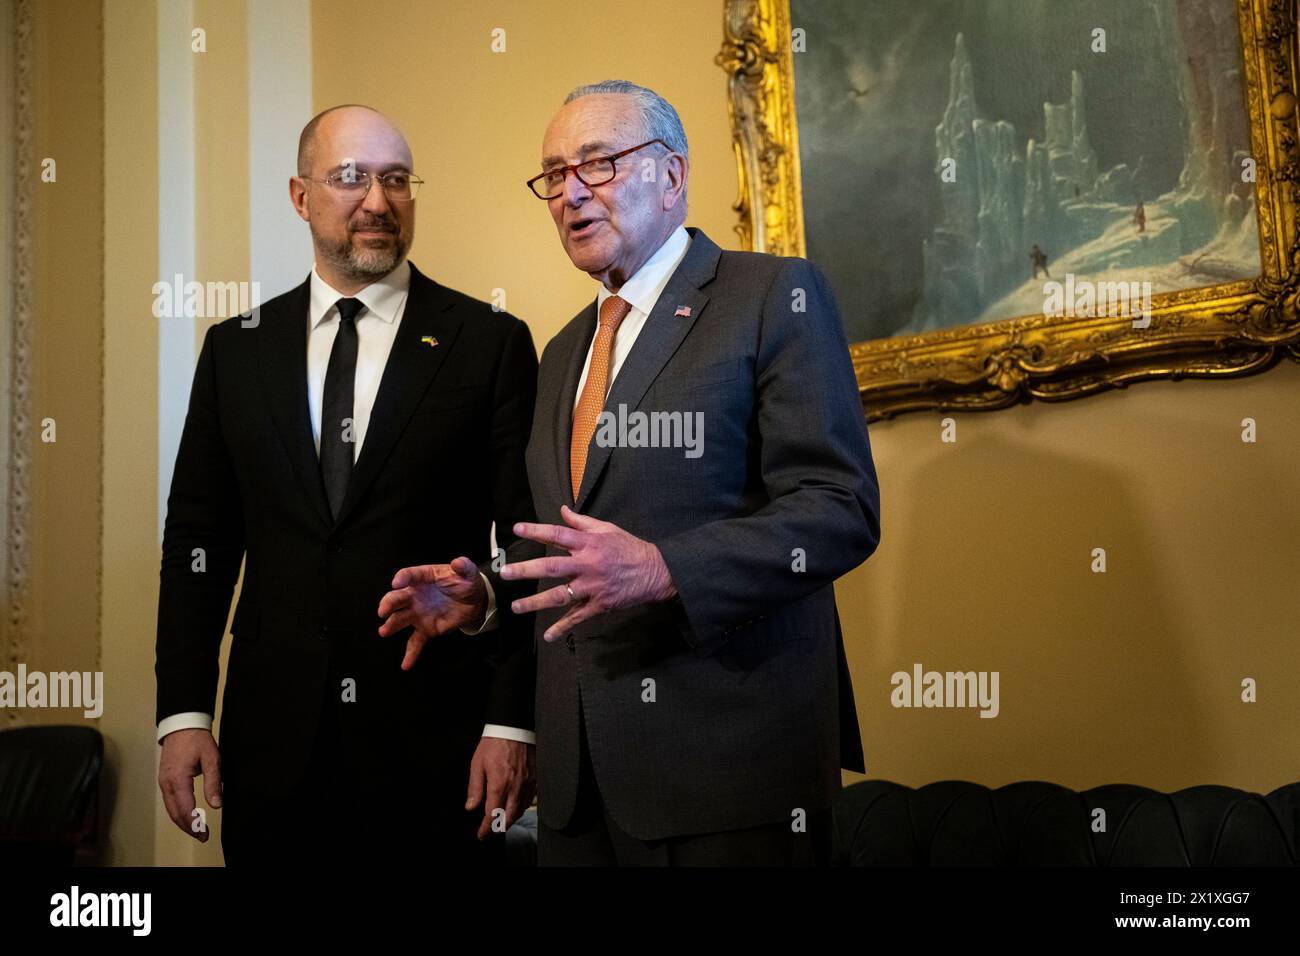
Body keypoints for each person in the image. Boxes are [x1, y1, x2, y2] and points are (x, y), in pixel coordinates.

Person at [381, 80, 880, 865]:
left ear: (673, 175)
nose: (570, 193)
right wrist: (485, 591)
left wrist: (662, 568)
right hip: (580, 789)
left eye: (600, 163)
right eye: (554, 175)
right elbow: (576, 548)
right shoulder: (561, 352)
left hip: (731, 773)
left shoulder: (770, 295)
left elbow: (839, 507)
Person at [155, 105, 537, 866]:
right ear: (301, 197)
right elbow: (199, 541)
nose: (378, 200)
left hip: (437, 745)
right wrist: (184, 713)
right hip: (273, 750)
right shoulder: (236, 351)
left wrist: (510, 722)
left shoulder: (488, 341)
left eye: (396, 180)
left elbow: (527, 542)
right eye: (351, 178)